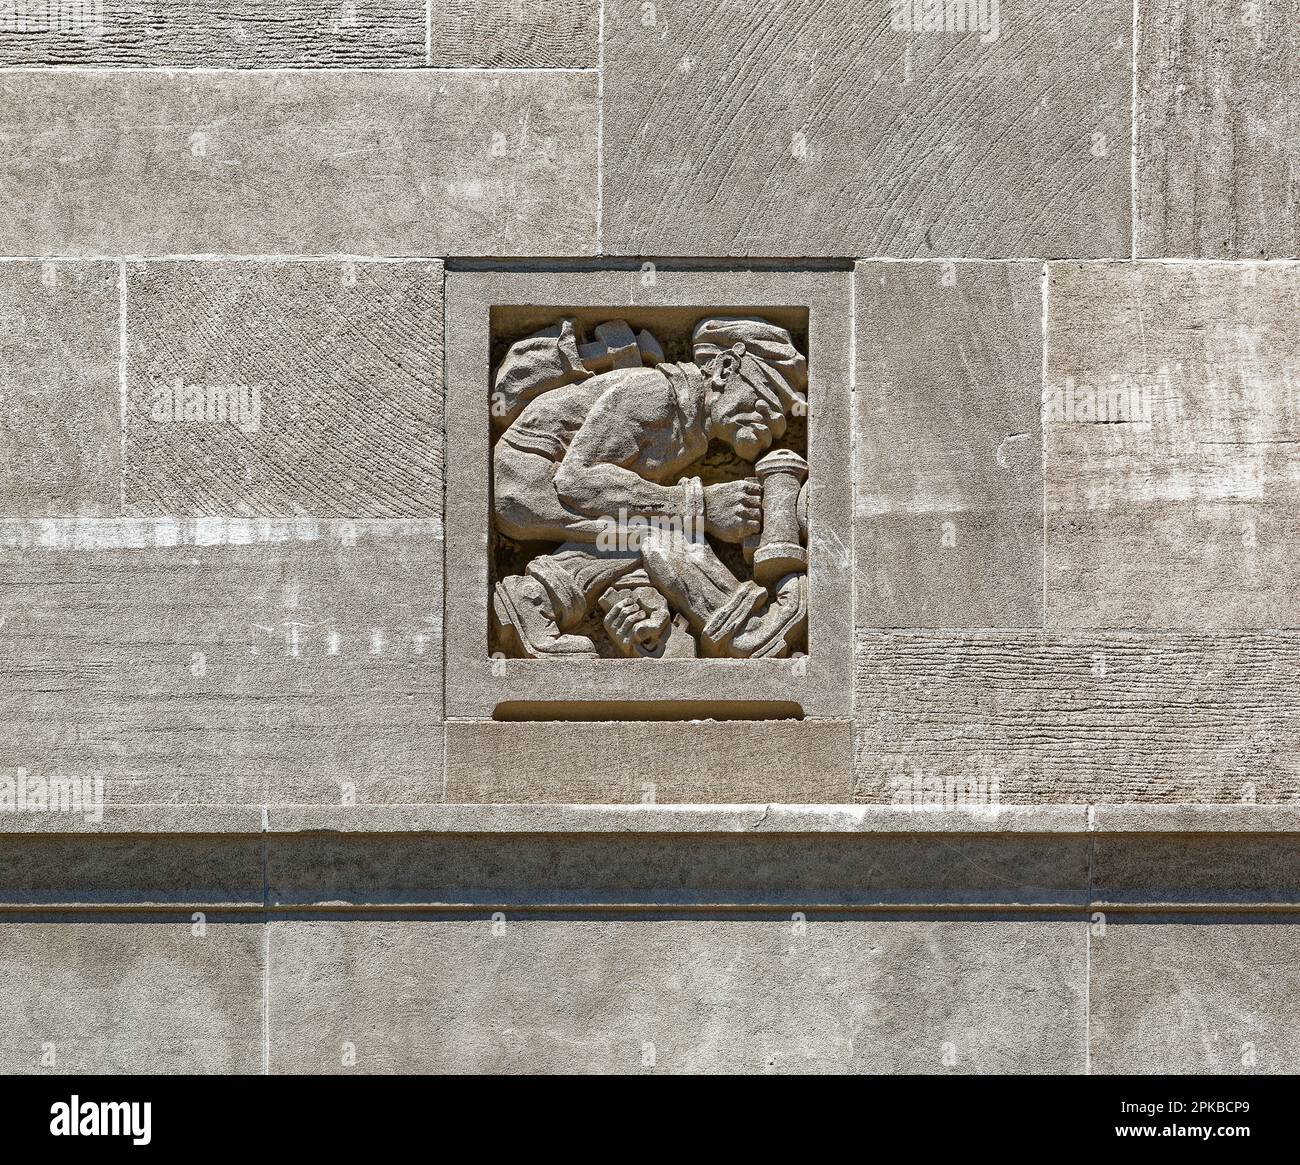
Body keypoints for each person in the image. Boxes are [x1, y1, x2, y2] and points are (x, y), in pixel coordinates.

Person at [492, 315, 808, 658]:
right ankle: (745, 630)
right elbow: (577, 479)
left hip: (549, 487)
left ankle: (533, 599)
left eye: (781, 413)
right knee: (659, 529)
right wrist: (699, 505)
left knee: (629, 533)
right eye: (764, 397)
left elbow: (622, 500)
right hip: (525, 478)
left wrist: (642, 593)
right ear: (725, 368)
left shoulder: (691, 429)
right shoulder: (655, 393)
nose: (774, 421)